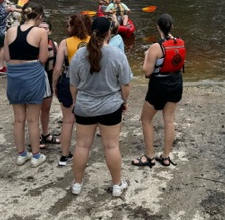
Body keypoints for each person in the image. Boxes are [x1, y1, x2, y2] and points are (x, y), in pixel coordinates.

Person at [68, 16, 133, 197]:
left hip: (84, 107)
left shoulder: (79, 55)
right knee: (111, 147)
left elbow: (73, 84)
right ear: (109, 34)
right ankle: (117, 185)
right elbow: (125, 85)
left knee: (82, 146)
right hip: (110, 107)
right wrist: (124, 102)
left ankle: (77, 184)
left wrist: (75, 103)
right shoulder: (117, 55)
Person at [132, 13, 184, 169]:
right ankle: (166, 157)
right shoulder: (179, 43)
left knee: (146, 119)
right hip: (176, 84)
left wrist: (146, 55)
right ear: (171, 27)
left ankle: (149, 156)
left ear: (158, 27)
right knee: (169, 120)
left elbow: (147, 72)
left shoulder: (156, 47)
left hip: (159, 86)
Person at [3, 2, 50, 168]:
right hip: (32, 75)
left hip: (14, 75)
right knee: (32, 119)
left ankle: (21, 154)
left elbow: (7, 57)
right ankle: (36, 155)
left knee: (18, 119)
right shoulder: (41, 32)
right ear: (39, 17)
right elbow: (43, 58)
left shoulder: (10, 31)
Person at [52, 14, 91, 167]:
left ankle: (64, 155)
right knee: (85, 121)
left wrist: (55, 84)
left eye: (68, 25)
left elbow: (57, 68)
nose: (67, 28)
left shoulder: (65, 43)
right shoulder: (93, 41)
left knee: (68, 120)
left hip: (68, 81)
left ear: (73, 27)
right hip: (88, 82)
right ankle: (83, 153)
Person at [38, 18, 60, 149]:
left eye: (45, 28)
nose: (42, 30)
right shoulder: (32, 43)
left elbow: (57, 65)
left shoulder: (54, 44)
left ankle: (45, 134)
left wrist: (55, 84)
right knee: (33, 112)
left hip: (49, 78)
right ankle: (35, 138)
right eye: (40, 27)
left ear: (50, 31)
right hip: (36, 79)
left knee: (46, 109)